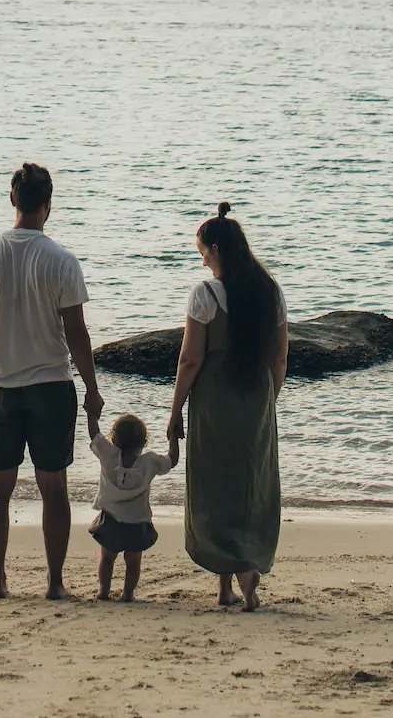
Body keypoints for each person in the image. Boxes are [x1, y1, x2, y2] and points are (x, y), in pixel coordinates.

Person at [0, 162, 104, 600]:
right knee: (53, 485)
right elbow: (77, 333)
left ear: (12, 199)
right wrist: (93, 388)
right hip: (50, 386)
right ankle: (55, 582)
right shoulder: (61, 259)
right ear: (48, 205)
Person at [166, 202, 288, 610]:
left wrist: (175, 409)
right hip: (256, 395)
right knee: (252, 484)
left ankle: (223, 586)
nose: (201, 260)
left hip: (213, 399)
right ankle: (249, 573)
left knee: (215, 485)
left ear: (216, 248)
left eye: (202, 251)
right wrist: (270, 396)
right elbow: (280, 359)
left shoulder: (205, 295)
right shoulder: (270, 291)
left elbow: (190, 359)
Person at [88, 411, 179, 602]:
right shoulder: (150, 462)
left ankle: (104, 591)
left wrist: (92, 414)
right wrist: (173, 436)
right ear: (144, 441)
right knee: (133, 561)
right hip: (138, 521)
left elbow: (94, 435)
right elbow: (172, 459)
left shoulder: (109, 455)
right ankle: (128, 593)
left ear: (114, 438)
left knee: (107, 558)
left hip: (111, 519)